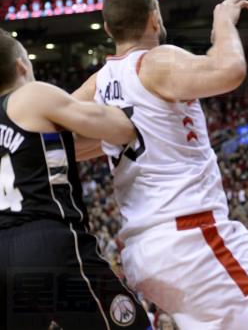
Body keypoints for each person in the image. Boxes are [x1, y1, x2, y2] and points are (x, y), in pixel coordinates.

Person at [73, 0, 248, 329]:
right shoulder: (156, 60)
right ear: (155, 19)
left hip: (144, 251)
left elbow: (61, 142)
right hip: (192, 238)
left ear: (107, 29)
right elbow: (229, 70)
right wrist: (223, 21)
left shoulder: (97, 85)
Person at [0, 29, 150, 330]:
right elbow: (121, 128)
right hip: (47, 241)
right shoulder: (32, 95)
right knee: (133, 325)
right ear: (21, 66)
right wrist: (112, 80)